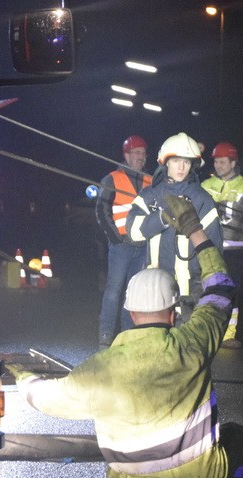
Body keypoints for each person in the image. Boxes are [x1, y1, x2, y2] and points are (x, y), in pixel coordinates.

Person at [11, 195, 243, 478]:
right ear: (173, 312)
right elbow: (221, 287)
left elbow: (47, 399)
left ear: (129, 310)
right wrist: (193, 230)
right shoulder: (194, 341)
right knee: (238, 437)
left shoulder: (102, 367)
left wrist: (24, 378)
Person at [129, 133, 222, 325]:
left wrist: (205, 286)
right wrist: (162, 217)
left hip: (190, 290)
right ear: (165, 163)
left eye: (186, 162)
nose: (181, 167)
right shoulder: (149, 195)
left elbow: (214, 249)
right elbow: (134, 234)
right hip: (154, 289)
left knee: (187, 349)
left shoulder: (202, 199)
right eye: (176, 161)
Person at [95, 135, 153, 348]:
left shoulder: (150, 181)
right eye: (136, 153)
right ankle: (106, 335)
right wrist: (115, 237)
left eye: (143, 153)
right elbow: (101, 210)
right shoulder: (112, 178)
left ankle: (127, 334)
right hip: (121, 246)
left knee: (133, 292)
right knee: (113, 290)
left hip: (143, 246)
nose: (140, 157)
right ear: (126, 156)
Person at [201, 142, 243, 349]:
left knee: (232, 290)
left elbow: (234, 216)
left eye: (222, 162)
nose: (218, 166)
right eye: (215, 161)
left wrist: (213, 209)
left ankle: (228, 335)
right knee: (207, 288)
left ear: (233, 163)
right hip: (210, 245)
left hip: (234, 247)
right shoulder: (206, 185)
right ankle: (207, 331)